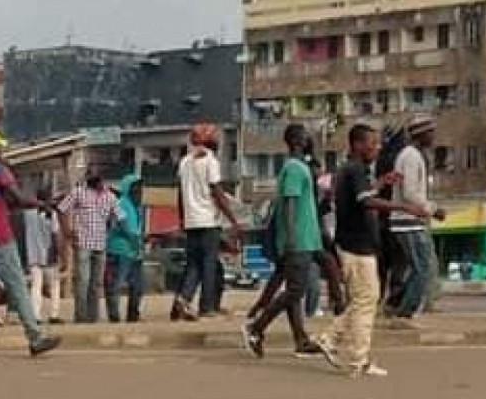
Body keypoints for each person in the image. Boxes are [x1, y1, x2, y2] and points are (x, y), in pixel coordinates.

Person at [0, 129, 62, 363]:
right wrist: (42, 204)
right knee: (17, 287)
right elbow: (17, 197)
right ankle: (35, 338)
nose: (2, 151)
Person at [318, 124, 407, 377]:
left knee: (364, 299)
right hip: (356, 245)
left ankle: (331, 339)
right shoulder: (354, 169)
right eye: (372, 143)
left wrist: (381, 182)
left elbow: (364, 195)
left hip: (357, 244)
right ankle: (358, 358)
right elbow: (365, 201)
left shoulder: (353, 171)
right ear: (357, 144)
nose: (376, 148)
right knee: (366, 300)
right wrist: (405, 207)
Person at [242, 124, 333, 364]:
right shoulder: (293, 168)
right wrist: (291, 238)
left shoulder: (301, 167)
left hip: (308, 240)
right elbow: (290, 205)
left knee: (297, 290)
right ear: (295, 141)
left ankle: (301, 339)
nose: (309, 139)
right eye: (305, 137)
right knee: (295, 291)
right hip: (298, 240)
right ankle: (257, 328)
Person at [173, 124, 240, 321]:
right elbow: (217, 192)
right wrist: (232, 219)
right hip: (208, 221)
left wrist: (182, 218)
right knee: (209, 264)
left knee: (195, 263)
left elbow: (180, 194)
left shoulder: (184, 162)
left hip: (191, 222)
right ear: (210, 141)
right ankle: (207, 307)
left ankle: (184, 298)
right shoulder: (210, 161)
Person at [387, 115, 441, 321]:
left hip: (410, 221)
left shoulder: (412, 155)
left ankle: (397, 302)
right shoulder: (411, 156)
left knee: (419, 268)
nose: (433, 136)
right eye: (431, 132)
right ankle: (404, 311)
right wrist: (432, 209)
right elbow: (410, 193)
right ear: (421, 134)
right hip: (407, 221)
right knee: (423, 269)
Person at [58, 171, 120, 324]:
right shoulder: (79, 192)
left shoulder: (109, 196)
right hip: (83, 242)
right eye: (97, 181)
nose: (100, 184)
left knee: (96, 283)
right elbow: (61, 209)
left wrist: (111, 229)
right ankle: (81, 316)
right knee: (83, 281)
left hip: (100, 243)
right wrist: (67, 231)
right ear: (91, 182)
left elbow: (120, 216)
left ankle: (93, 317)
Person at [105, 175, 146, 323]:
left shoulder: (137, 206)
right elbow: (128, 229)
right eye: (135, 188)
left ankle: (133, 316)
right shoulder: (122, 204)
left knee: (138, 286)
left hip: (133, 251)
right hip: (120, 250)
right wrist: (137, 245)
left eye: (140, 188)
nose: (139, 191)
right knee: (115, 284)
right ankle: (114, 317)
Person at [22, 201, 63, 324]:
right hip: (49, 256)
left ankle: (35, 315)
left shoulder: (28, 214)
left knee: (36, 286)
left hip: (33, 255)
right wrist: (60, 254)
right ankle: (54, 315)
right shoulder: (52, 215)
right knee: (54, 286)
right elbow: (56, 236)